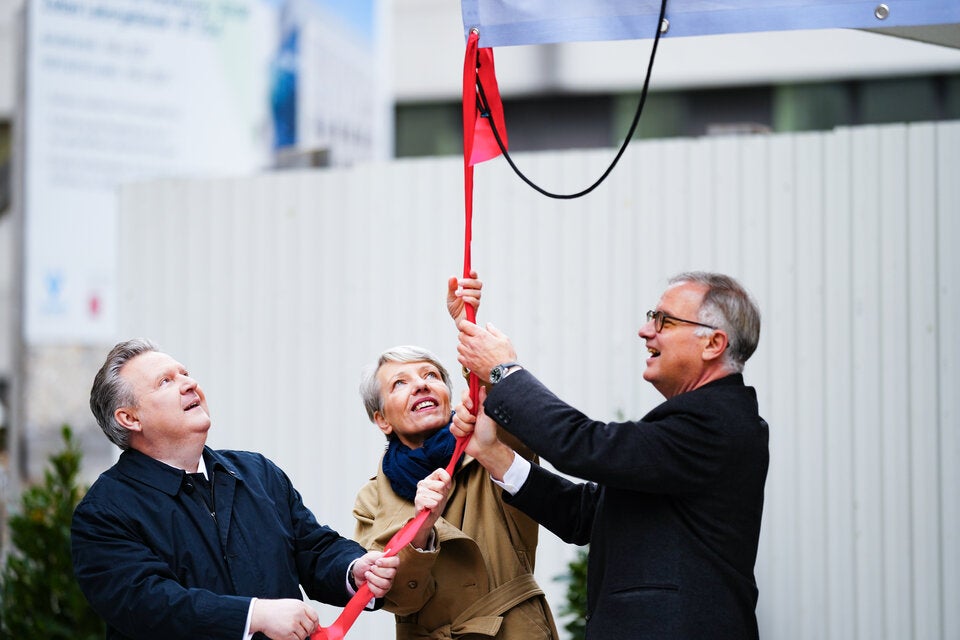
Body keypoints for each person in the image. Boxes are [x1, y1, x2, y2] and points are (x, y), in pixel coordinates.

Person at [452, 271, 769, 640]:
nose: (646, 330)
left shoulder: (717, 424)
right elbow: (585, 515)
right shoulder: (697, 426)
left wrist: (505, 372)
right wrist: (493, 453)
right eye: (653, 316)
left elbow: (582, 445)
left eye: (664, 320)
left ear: (713, 343)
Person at [72, 339, 399, 640]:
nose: (190, 384)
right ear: (129, 418)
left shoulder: (257, 473)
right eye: (165, 382)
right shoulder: (104, 511)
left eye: (185, 373)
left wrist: (353, 569)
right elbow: (149, 605)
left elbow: (311, 548)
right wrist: (252, 615)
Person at [349, 275, 559, 639]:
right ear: (381, 419)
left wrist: (466, 325)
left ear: (447, 393)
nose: (421, 384)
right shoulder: (372, 498)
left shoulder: (488, 447)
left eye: (431, 375)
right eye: (400, 383)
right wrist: (421, 530)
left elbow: (506, 406)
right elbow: (391, 597)